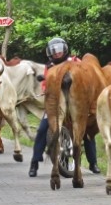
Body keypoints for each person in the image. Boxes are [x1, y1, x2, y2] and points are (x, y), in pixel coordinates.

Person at [28, 37, 100, 177]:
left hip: (77, 102)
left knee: (86, 131)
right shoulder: (49, 66)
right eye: (54, 51)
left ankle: (93, 163)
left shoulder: (76, 62)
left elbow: (87, 80)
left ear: (65, 49)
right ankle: (34, 163)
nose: (57, 54)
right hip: (56, 103)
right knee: (42, 129)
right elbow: (45, 85)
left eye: (59, 50)